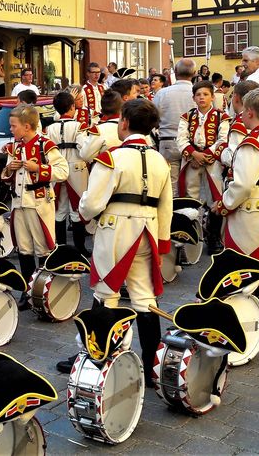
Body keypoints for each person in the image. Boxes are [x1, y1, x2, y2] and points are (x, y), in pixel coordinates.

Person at [57, 99, 171, 383]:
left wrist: (84, 213)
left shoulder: (114, 157)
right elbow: (166, 205)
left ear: (124, 123)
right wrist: (162, 239)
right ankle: (149, 363)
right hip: (148, 228)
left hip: (116, 228)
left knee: (106, 293)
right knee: (144, 297)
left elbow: (92, 203)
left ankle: (97, 355)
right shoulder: (159, 160)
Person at [212, 89, 259, 337]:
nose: (242, 114)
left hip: (253, 206)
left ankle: (247, 319)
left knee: (243, 262)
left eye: (244, 110)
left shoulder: (251, 143)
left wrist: (224, 204)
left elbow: (243, 184)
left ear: (251, 112)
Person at [2, 104, 69, 309]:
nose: (11, 130)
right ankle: (26, 290)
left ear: (28, 126)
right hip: (19, 203)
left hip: (38, 203)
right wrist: (9, 169)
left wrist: (38, 168)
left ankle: (46, 290)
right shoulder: (15, 147)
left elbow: (63, 171)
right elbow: (5, 177)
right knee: (23, 248)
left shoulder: (45, 145)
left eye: (14, 126)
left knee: (43, 248)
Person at [177, 80, 229, 253]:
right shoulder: (186, 116)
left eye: (206, 94)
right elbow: (181, 139)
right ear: (193, 98)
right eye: (198, 95)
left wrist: (207, 155)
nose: (202, 98)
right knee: (191, 196)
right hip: (191, 160)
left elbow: (223, 139)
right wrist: (193, 154)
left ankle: (214, 237)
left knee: (216, 196)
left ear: (212, 97)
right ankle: (193, 235)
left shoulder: (222, 116)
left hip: (211, 161)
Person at [47, 92, 90, 258]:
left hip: (57, 166)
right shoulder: (79, 126)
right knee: (76, 207)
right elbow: (84, 148)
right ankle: (80, 248)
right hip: (76, 167)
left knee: (59, 207)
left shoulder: (49, 128)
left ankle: (61, 247)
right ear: (73, 107)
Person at [154, 59, 199, 191]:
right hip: (192, 144)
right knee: (191, 186)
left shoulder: (162, 93)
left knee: (170, 187)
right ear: (195, 73)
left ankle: (172, 210)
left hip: (168, 141)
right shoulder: (199, 93)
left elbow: (154, 117)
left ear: (175, 72)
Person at [220, 80, 259, 174]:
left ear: (236, 98)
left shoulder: (240, 123)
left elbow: (232, 158)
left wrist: (220, 148)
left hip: (243, 174)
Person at [80, 90, 124, 162]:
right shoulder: (132, 125)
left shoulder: (99, 130)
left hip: (107, 171)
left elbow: (85, 155)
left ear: (102, 110)